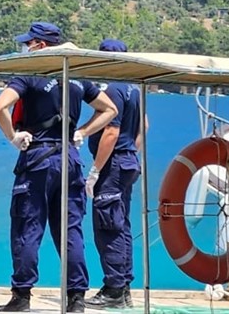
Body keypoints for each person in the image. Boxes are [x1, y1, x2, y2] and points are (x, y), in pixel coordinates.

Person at [0, 22, 117, 313]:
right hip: (69, 158)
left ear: (41, 45)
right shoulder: (77, 77)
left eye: (29, 43)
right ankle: (76, 298)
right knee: (70, 230)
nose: (26, 48)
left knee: (27, 226)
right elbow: (110, 109)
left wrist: (13, 137)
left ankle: (22, 296)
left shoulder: (30, 74)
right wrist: (82, 132)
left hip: (37, 157)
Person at [85, 39, 144, 309]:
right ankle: (124, 286)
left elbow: (111, 131)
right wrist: (131, 152)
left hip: (114, 165)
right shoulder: (134, 89)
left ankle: (114, 289)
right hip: (127, 161)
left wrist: (96, 170)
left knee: (108, 225)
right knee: (122, 224)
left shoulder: (112, 90)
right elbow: (144, 125)